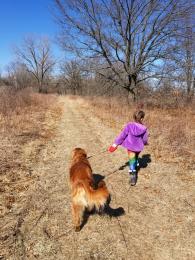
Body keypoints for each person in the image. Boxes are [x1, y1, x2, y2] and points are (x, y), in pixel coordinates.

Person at [108, 110, 148, 186]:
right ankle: (136, 163)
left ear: (134, 117)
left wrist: (115, 144)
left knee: (132, 159)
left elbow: (122, 135)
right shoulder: (144, 128)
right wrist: (145, 143)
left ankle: (133, 176)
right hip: (138, 147)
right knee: (135, 156)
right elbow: (145, 139)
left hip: (130, 146)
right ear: (142, 118)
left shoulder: (129, 125)